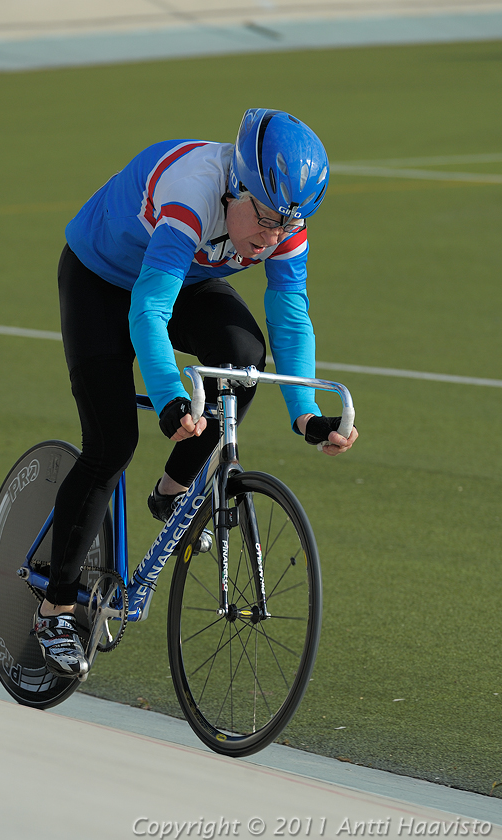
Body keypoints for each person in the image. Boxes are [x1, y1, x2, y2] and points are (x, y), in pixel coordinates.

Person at [33, 107, 358, 678]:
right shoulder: (193, 193)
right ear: (236, 188)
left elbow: (290, 314)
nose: (269, 239)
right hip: (102, 280)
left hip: (182, 278)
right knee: (112, 443)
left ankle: (171, 490)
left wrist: (306, 413)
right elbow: (148, 309)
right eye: (261, 220)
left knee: (244, 363)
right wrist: (169, 399)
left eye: (283, 227)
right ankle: (56, 608)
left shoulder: (279, 217)